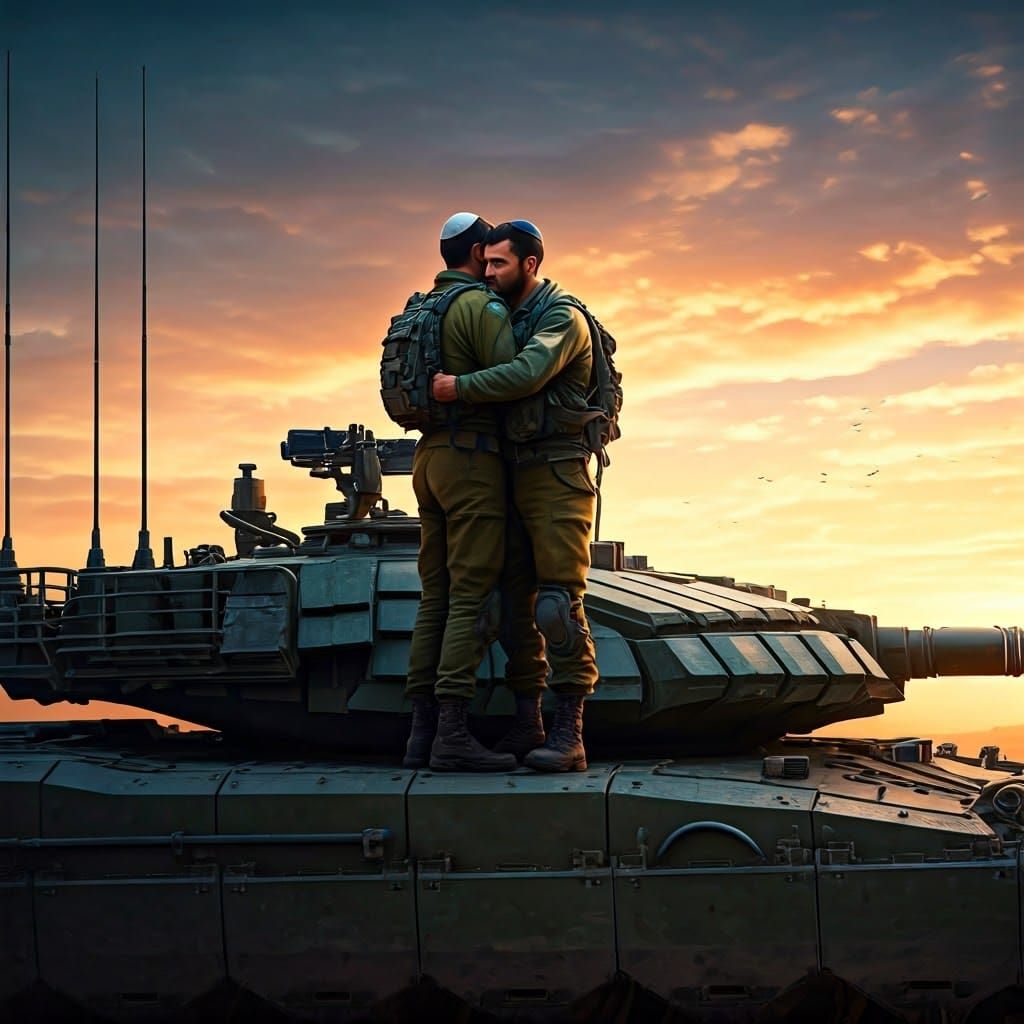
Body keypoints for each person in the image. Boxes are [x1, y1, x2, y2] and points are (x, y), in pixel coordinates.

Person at [431, 220, 600, 772]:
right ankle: (529, 719)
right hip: (512, 471)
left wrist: (459, 387)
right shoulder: (505, 312)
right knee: (511, 606)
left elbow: (527, 373)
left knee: (558, 604)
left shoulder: (562, 317)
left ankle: (570, 731)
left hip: (556, 471)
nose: (488, 271)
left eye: (499, 263)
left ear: (530, 264)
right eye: (486, 262)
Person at [399, 212, 519, 773]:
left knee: (436, 598)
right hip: (471, 460)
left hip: (428, 459)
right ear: (475, 253)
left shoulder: (422, 306)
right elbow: (511, 378)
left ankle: (420, 733)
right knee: (471, 596)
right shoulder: (478, 306)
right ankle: (452, 733)